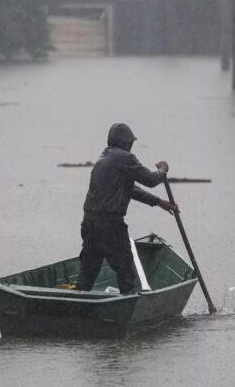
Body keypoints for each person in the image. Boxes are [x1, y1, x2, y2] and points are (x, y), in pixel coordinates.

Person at [75, 123, 179, 294]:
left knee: (88, 270)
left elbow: (129, 189)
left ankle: (77, 301)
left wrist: (158, 202)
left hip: (90, 223)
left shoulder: (103, 158)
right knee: (125, 268)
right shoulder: (125, 158)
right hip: (110, 225)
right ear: (126, 142)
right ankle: (129, 301)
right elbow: (151, 180)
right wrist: (163, 170)